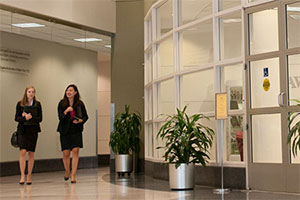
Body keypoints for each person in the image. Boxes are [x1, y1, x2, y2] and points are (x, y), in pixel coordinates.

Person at [57, 84, 88, 183]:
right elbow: (60, 117)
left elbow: (85, 117)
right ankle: (67, 171)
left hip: (76, 130)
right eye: (67, 90)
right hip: (65, 131)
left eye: (71, 90)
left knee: (75, 151)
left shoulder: (80, 104)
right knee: (66, 154)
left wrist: (80, 121)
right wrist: (66, 111)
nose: (68, 92)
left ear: (75, 92)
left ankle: (73, 175)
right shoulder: (62, 103)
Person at [15, 86, 42, 185]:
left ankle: (29, 176)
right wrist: (24, 117)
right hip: (22, 131)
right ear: (26, 93)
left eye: (33, 92)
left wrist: (31, 117)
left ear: (35, 93)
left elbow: (40, 118)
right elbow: (16, 118)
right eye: (29, 92)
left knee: (31, 152)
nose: (31, 93)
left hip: (33, 131)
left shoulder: (37, 104)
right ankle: (22, 175)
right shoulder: (20, 104)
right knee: (22, 152)